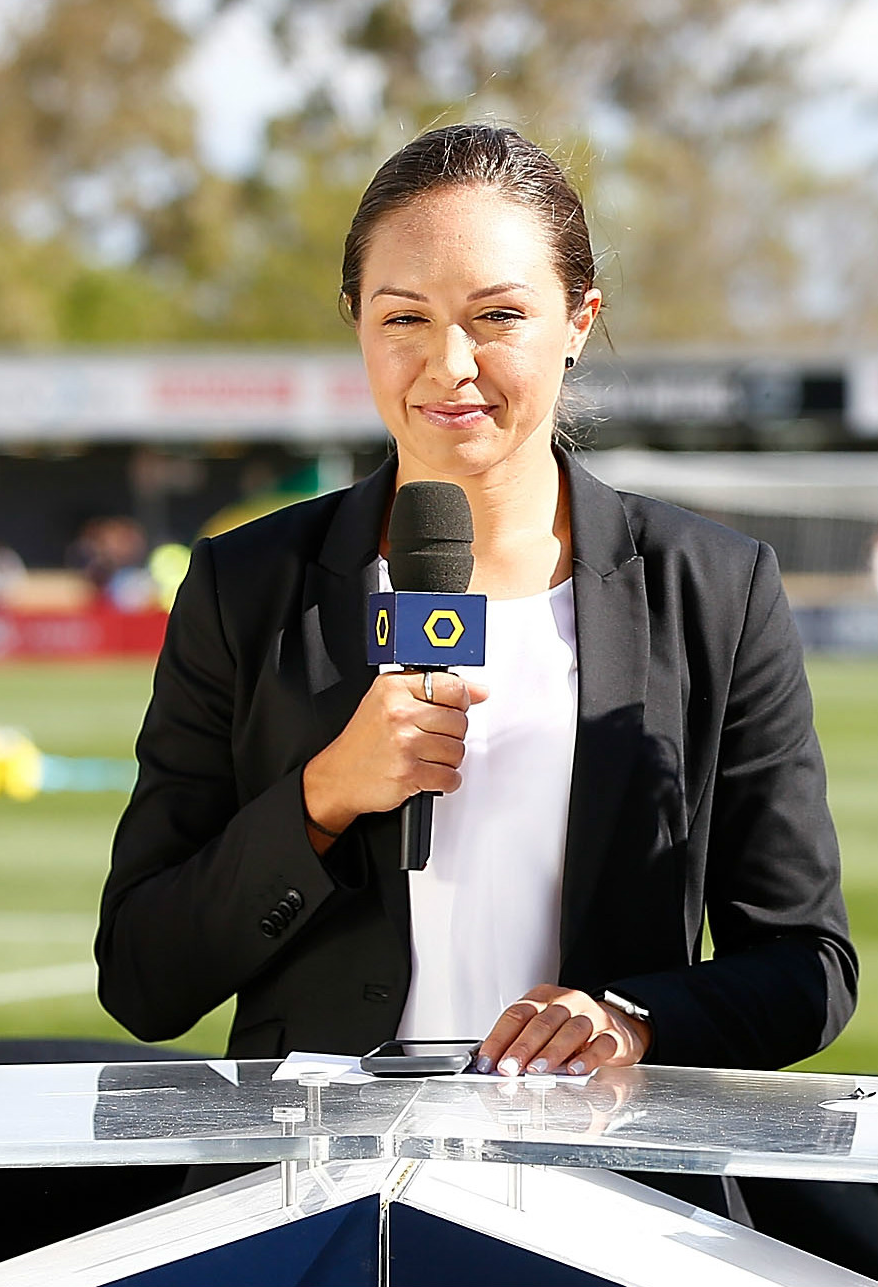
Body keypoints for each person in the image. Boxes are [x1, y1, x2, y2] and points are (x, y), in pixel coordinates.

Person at [96, 124, 854, 1207]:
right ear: (357, 323)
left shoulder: (714, 588)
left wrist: (631, 1019)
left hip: (610, 1204)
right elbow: (142, 976)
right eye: (403, 317)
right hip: (304, 1201)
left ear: (578, 323)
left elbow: (806, 970)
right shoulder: (246, 585)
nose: (449, 365)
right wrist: (323, 797)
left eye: (498, 316)